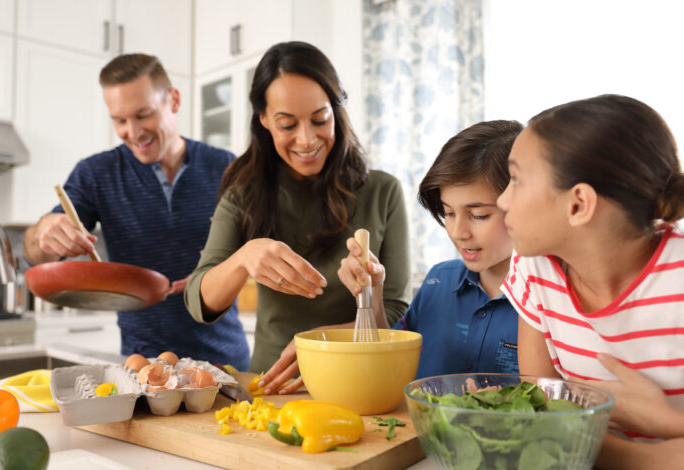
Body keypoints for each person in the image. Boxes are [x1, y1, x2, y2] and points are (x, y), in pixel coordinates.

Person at [184, 41, 411, 393]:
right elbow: (199, 302)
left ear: (336, 110)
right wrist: (244, 258)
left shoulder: (384, 191)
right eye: (287, 124)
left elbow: (396, 316)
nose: (306, 140)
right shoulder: (243, 192)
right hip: (274, 386)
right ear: (263, 120)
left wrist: (317, 345)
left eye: (319, 119)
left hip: (362, 381)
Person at [23, 53, 250, 371]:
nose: (132, 131)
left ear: (173, 100)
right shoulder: (95, 173)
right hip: (144, 366)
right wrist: (45, 230)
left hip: (228, 363)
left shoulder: (227, 166)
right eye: (119, 120)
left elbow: (260, 247)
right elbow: (37, 254)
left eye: (143, 115)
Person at [497, 94, 684, 469]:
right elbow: (543, 419)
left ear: (578, 204)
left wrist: (663, 423)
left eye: (516, 179)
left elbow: (565, 437)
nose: (502, 201)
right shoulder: (535, 269)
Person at [339, 120, 523, 379]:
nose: (459, 232)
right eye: (448, 213)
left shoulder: (547, 297)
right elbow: (391, 359)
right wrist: (374, 291)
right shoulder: (439, 281)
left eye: (479, 215)